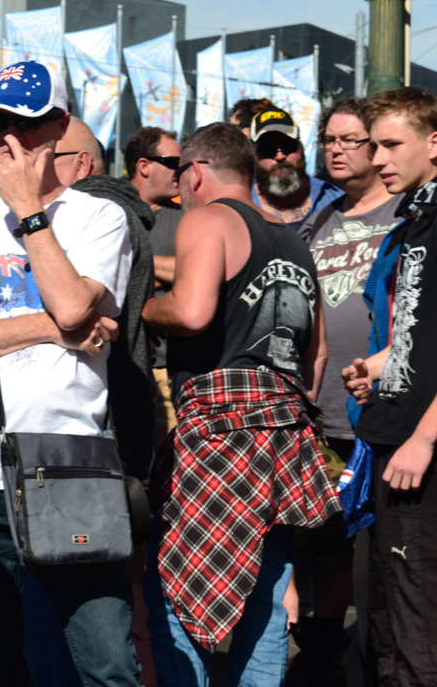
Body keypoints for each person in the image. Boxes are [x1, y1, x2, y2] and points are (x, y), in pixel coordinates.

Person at [0, 60, 140, 687]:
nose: (9, 141)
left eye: (26, 124)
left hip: (70, 464)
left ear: (59, 127)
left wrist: (29, 212)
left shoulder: (99, 218)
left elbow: (76, 301)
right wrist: (54, 329)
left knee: (104, 661)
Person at [140, 122, 341, 684]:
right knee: (266, 604)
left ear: (197, 171)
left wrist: (141, 309)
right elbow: (317, 354)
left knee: (180, 595)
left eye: (182, 177)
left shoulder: (209, 220)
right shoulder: (294, 241)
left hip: (221, 435)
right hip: (284, 433)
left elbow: (191, 313)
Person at [289, 98, 403, 686]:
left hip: (387, 408)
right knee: (327, 538)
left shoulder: (408, 212)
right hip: (326, 408)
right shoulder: (319, 218)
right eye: (328, 138)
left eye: (350, 139)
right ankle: (325, 650)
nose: (335, 148)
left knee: (389, 549)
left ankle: (388, 657)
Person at [343, 86, 437, 687]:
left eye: (391, 144)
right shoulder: (416, 220)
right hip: (390, 436)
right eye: (373, 145)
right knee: (387, 613)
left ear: (434, 142)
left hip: (419, 451)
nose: (377, 158)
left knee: (415, 622)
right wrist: (379, 366)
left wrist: (424, 438)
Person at [125, 127, 184, 449]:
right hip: (119, 367)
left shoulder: (188, 217)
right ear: (144, 165)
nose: (182, 170)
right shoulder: (111, 213)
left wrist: (136, 265)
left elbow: (195, 273)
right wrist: (163, 271)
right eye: (173, 162)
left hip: (167, 372)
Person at [250, 108, 343, 229]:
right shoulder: (242, 208)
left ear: (301, 146)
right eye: (268, 149)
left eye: (288, 146)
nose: (280, 156)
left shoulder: (335, 200)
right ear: (253, 154)